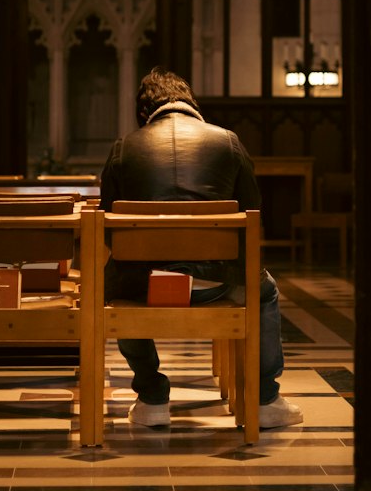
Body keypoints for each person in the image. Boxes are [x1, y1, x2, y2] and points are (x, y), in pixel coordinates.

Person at [99, 66, 304, 430]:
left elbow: (109, 232)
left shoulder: (123, 148)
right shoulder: (227, 141)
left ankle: (151, 396)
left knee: (113, 280)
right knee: (265, 290)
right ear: (191, 104)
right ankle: (264, 400)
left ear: (144, 113)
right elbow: (252, 214)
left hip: (141, 287)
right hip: (216, 285)